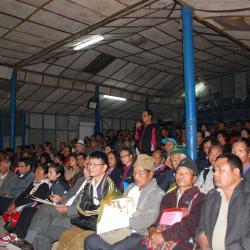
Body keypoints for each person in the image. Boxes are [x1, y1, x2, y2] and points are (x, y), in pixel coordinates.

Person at [9, 151, 113, 250]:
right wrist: (61, 198)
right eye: (89, 164)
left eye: (94, 164)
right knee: (45, 208)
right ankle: (28, 242)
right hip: (71, 209)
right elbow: (72, 195)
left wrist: (68, 210)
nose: (89, 167)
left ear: (104, 167)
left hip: (81, 218)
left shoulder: (107, 186)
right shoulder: (88, 181)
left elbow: (95, 211)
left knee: (53, 224)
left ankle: (35, 244)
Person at [84, 154, 165, 250]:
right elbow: (120, 205)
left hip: (138, 233)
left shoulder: (156, 193)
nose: (136, 176)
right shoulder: (131, 187)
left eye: (140, 173)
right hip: (120, 228)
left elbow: (148, 219)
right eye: (134, 172)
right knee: (90, 241)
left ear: (151, 174)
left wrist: (123, 221)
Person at [134, 157, 205, 250]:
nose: (181, 176)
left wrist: (164, 236)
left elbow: (191, 224)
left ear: (194, 178)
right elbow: (157, 220)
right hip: (160, 237)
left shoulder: (200, 197)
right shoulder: (168, 196)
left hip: (183, 240)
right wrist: (152, 231)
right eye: (179, 173)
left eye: (186, 173)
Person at [196, 153, 250, 250]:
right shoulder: (211, 196)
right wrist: (201, 237)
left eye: (220, 169)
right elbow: (201, 226)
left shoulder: (247, 196)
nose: (215, 174)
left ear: (236, 172)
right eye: (214, 170)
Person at [0, 165, 50, 245]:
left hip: (31, 206)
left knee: (23, 211)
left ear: (45, 175)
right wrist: (15, 203)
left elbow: (32, 199)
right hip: (24, 203)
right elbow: (24, 194)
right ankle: (8, 232)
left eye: (38, 172)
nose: (35, 174)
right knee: (7, 208)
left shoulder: (45, 185)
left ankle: (15, 235)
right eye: (36, 171)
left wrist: (16, 205)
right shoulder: (35, 182)